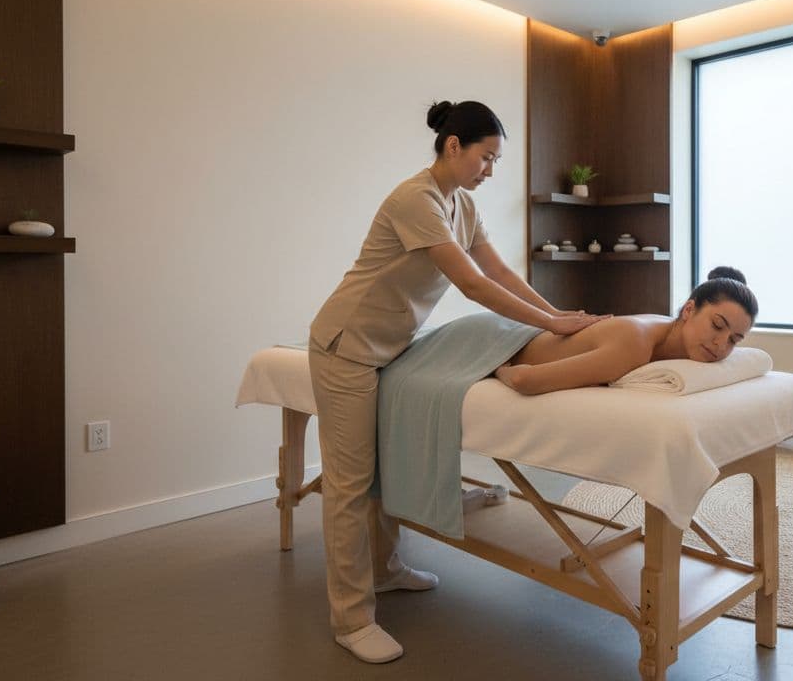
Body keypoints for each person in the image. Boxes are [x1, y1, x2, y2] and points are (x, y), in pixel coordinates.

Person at [307, 100, 606, 664]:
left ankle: (387, 569)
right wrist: (550, 323)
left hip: (389, 349)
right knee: (349, 485)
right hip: (346, 348)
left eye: (494, 160)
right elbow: (471, 284)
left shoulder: (461, 205)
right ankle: (351, 619)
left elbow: (499, 271)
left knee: (381, 468)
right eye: (486, 157)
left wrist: (559, 315)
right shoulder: (413, 199)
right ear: (453, 147)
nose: (490, 170)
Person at [495, 267, 758, 395]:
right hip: (497, 340)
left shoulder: (669, 331)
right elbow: (525, 381)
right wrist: (499, 369)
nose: (721, 344)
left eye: (734, 340)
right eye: (717, 325)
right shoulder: (635, 343)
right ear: (689, 310)